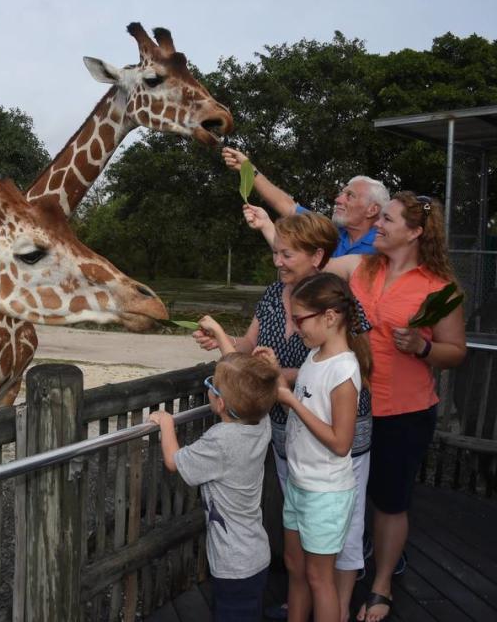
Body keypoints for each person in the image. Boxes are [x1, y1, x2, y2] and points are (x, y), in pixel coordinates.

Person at [195, 213, 373, 621]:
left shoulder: (338, 343)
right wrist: (236, 348)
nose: (278, 261)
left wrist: (286, 395)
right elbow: (261, 361)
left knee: (326, 564)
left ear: (317, 257)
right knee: (301, 565)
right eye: (276, 252)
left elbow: (337, 427)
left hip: (325, 477)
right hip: (299, 465)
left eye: (286, 253)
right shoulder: (305, 341)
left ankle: (339, 610)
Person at [325, 192, 467, 622]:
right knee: (340, 499)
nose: (378, 226)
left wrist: (423, 347)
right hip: (351, 404)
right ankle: (334, 580)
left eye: (387, 220)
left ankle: (382, 584)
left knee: (390, 501)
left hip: (403, 411)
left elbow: (455, 352)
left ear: (415, 232)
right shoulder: (360, 268)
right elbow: (310, 266)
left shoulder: (440, 289)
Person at [263, 272, 371, 622]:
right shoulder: (315, 356)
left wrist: (292, 403)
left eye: (300, 320)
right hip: (299, 483)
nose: (295, 329)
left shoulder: (343, 369)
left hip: (325, 492)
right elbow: (301, 403)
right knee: (296, 568)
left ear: (330, 316)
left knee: (318, 578)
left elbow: (341, 443)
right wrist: (276, 373)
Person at [149, 348, 279, 621]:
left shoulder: (221, 441)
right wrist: (263, 372)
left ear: (220, 404)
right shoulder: (261, 423)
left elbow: (174, 461)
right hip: (256, 554)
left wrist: (166, 424)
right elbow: (254, 392)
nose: (210, 387)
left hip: (234, 565)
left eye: (212, 384)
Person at [222, 146, 387, 257]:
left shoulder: (386, 246)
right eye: (341, 193)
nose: (338, 199)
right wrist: (249, 170)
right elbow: (289, 207)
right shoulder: (329, 232)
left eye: (349, 195)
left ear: (372, 209)